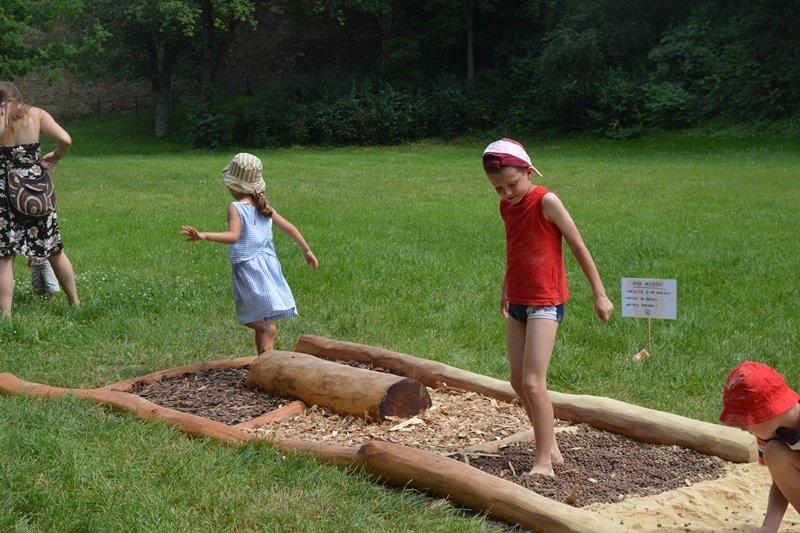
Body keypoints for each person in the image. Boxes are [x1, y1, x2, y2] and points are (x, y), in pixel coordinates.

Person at [482, 138, 614, 476]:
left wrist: (599, 294)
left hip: (545, 301)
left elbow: (577, 244)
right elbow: (515, 251)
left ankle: (543, 462)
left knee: (533, 382)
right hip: (518, 301)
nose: (507, 193)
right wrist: (505, 290)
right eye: (498, 188)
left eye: (512, 184)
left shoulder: (546, 201)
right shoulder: (506, 207)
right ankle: (549, 442)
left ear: (528, 171)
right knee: (515, 379)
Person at [181, 153, 318, 354]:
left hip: (248, 267)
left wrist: (204, 235)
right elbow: (289, 228)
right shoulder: (263, 206)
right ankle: (264, 360)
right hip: (267, 265)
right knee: (259, 313)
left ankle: (267, 331)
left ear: (233, 185)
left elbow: (233, 236)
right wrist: (306, 250)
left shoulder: (235, 207)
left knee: (252, 317)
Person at [0, 81, 79, 316]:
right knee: (54, 249)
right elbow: (65, 139)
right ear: (18, 97)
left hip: (3, 191)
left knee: (5, 255)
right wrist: (56, 155)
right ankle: (75, 303)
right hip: (35, 192)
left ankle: (5, 316)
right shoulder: (36, 114)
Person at [720, 361, 800, 533]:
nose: (742, 428)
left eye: (745, 421)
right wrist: (769, 527)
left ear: (768, 412)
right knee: (774, 454)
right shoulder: (769, 435)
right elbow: (781, 482)